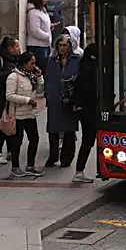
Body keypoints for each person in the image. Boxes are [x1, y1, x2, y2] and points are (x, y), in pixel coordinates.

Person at [5, 51, 45, 178]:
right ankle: (15, 167)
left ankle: (30, 165)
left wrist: (39, 77)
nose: (34, 66)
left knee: (34, 138)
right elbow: (9, 95)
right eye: (31, 63)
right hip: (17, 114)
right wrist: (27, 100)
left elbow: (39, 91)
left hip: (30, 114)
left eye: (35, 63)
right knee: (17, 141)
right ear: (24, 63)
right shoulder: (13, 76)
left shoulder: (31, 76)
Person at [44, 34, 81, 167]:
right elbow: (48, 78)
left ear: (70, 46)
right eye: (59, 45)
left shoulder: (77, 60)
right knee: (53, 128)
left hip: (70, 99)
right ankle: (53, 156)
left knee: (69, 130)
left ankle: (66, 158)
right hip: (54, 98)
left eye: (65, 45)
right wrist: (48, 95)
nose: (62, 48)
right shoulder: (52, 60)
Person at [0, 36, 20, 164]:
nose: (18, 49)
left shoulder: (16, 60)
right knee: (1, 126)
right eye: (16, 46)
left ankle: (11, 151)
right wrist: (11, 74)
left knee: (11, 126)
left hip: (12, 99)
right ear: (9, 48)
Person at [71, 43, 100, 183]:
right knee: (88, 140)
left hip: (85, 110)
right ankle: (79, 171)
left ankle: (79, 170)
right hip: (90, 110)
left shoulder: (83, 68)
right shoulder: (92, 71)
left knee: (88, 140)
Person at [26, 0, 52, 72]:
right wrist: (47, 36)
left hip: (45, 45)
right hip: (37, 46)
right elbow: (35, 31)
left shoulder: (43, 10)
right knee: (40, 69)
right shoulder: (33, 12)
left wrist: (49, 27)